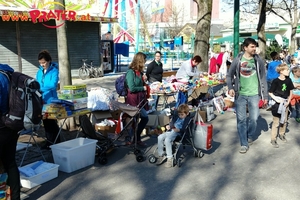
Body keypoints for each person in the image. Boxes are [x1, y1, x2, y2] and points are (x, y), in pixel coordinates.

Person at [226, 38, 268, 154]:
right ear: (245, 48)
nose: (254, 49)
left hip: (255, 94)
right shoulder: (238, 60)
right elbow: (229, 76)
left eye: (255, 46)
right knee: (241, 120)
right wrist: (230, 88)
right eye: (252, 46)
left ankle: (249, 134)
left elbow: (263, 78)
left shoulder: (258, 60)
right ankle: (244, 143)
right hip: (241, 95)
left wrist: (265, 96)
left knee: (254, 119)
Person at [0, 64, 21, 200]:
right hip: (13, 122)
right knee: (10, 161)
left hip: (1, 125)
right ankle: (15, 197)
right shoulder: (8, 73)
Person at [36, 50, 60, 148]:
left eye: (44, 62)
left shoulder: (54, 71)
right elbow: (37, 82)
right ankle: (49, 142)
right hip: (41, 99)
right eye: (40, 63)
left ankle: (56, 142)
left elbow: (53, 84)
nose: (42, 65)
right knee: (45, 122)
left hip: (51, 100)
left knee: (52, 122)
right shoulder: (39, 71)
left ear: (49, 61)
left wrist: (40, 88)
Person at [125, 52, 149, 147]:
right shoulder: (131, 72)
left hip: (140, 100)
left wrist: (145, 81)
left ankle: (136, 138)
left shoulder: (140, 72)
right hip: (133, 100)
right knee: (133, 120)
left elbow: (141, 84)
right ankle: (131, 139)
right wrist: (142, 88)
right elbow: (132, 88)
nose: (145, 63)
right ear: (140, 61)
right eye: (144, 61)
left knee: (144, 118)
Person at [156, 104, 190, 168]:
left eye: (182, 114)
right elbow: (172, 123)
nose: (180, 116)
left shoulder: (187, 119)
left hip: (178, 133)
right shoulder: (177, 117)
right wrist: (169, 126)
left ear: (187, 113)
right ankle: (161, 154)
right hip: (171, 131)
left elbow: (185, 128)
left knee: (167, 140)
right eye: (179, 114)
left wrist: (179, 130)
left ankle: (170, 158)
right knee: (160, 137)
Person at [269, 63, 294, 148]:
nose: (288, 71)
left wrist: (288, 101)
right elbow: (270, 92)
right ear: (281, 71)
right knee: (276, 122)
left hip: (286, 102)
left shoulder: (288, 80)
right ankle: (273, 139)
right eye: (287, 70)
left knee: (284, 120)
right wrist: (276, 100)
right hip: (277, 104)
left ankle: (282, 134)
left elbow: (291, 92)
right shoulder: (275, 81)